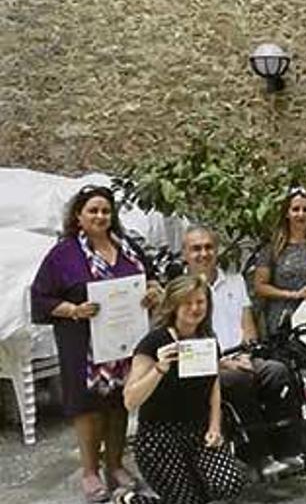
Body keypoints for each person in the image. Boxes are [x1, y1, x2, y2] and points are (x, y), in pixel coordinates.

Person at [30, 185, 159, 503]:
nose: (100, 216)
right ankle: (90, 472)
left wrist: (154, 292)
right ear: (78, 215)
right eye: (93, 210)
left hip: (125, 344)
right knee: (88, 408)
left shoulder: (127, 247)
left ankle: (115, 466)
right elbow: (41, 298)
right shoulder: (64, 254)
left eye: (105, 210)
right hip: (83, 345)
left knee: (119, 404)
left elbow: (153, 280)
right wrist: (74, 310)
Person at [183, 228, 304, 472]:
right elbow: (185, 341)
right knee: (239, 379)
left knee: (278, 372)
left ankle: (289, 450)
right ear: (185, 253)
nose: (203, 253)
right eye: (196, 249)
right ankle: (259, 456)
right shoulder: (180, 291)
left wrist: (248, 354)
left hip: (242, 355)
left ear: (216, 251)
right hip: (207, 365)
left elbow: (247, 323)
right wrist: (222, 363)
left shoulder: (235, 281)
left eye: (208, 247)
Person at [117, 276, 244, 504]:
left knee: (229, 483)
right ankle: (131, 501)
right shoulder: (154, 342)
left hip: (198, 430)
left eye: (200, 302)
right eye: (187, 303)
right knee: (189, 500)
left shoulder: (207, 340)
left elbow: (213, 386)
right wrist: (159, 368)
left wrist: (215, 426)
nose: (195, 308)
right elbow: (130, 400)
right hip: (159, 437)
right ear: (174, 306)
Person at [254, 188, 306, 337]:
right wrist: (293, 295)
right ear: (287, 213)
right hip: (284, 320)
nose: (301, 214)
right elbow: (260, 287)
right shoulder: (272, 248)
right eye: (295, 209)